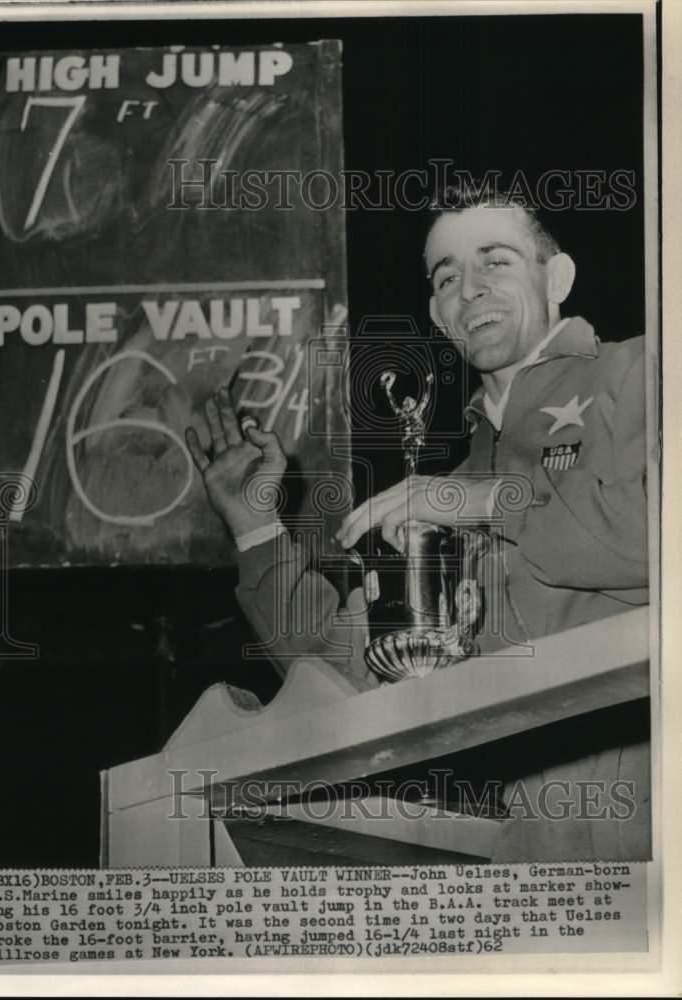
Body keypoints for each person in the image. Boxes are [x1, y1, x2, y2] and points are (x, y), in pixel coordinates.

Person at [185, 184, 650, 861]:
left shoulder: (640, 371)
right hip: (539, 853)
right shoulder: (445, 488)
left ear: (557, 276)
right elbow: (345, 673)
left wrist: (490, 503)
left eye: (494, 261)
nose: (469, 289)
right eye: (446, 276)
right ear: (436, 315)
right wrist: (256, 527)